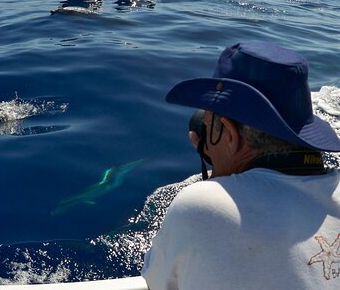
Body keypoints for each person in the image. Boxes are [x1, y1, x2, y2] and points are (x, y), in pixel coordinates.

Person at [141, 41, 340, 289]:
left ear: (230, 133)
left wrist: (219, 180)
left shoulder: (203, 206)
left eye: (210, 122)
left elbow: (157, 282)